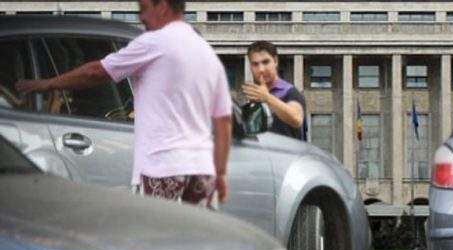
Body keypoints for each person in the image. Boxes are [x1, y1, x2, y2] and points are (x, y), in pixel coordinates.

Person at [15, 0, 232, 208]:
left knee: (155, 238)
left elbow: (96, 72)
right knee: (197, 238)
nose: (141, 17)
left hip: (164, 166)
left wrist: (46, 84)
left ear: (163, 7)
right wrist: (220, 173)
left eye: (144, 8)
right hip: (202, 169)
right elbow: (224, 122)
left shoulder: (155, 41)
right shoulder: (207, 54)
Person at [242, 41, 307, 140]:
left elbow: (296, 119)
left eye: (265, 62)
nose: (261, 69)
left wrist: (267, 98)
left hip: (288, 154)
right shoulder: (253, 98)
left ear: (275, 61)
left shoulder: (290, 92)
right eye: (255, 64)